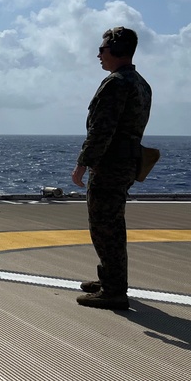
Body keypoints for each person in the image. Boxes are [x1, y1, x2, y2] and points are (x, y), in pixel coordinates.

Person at [71, 26, 152, 310]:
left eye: (103, 49)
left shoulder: (116, 83)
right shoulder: (141, 83)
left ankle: (114, 289)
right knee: (112, 222)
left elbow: (102, 130)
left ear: (117, 50)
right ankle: (110, 277)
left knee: (105, 225)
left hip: (110, 164)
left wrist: (83, 163)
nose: (98, 55)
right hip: (127, 162)